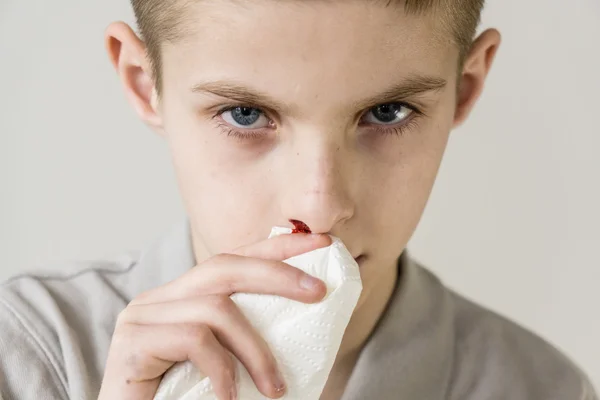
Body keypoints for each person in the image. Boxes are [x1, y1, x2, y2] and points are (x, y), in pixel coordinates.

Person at [0, 0, 597, 399]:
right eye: (246, 114)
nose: (318, 209)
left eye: (387, 112)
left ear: (464, 89)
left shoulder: (542, 388)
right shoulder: (29, 354)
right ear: (143, 82)